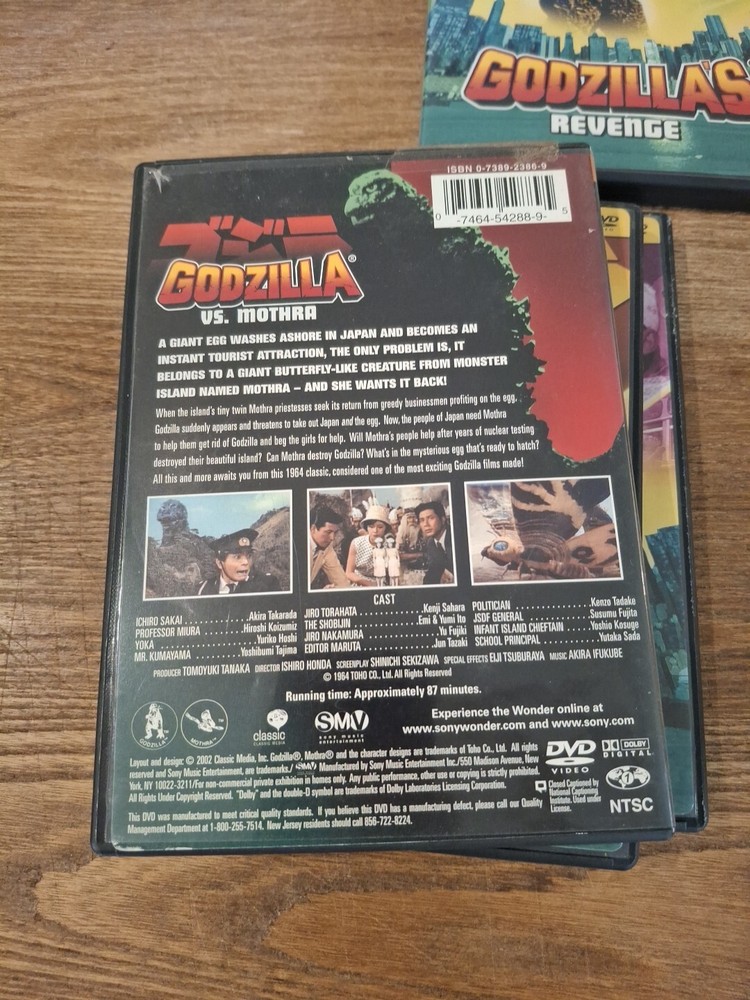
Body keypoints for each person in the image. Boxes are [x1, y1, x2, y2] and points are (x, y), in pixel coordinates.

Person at [198, 529, 279, 595]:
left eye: (248, 556)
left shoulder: (267, 584)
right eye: (237, 557)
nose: (246, 562)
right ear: (219, 563)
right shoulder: (202, 589)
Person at [345, 504, 392, 587]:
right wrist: (368, 584)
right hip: (357, 582)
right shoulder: (356, 543)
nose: (375, 530)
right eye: (371, 526)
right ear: (366, 527)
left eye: (380, 527)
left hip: (379, 584)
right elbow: (349, 573)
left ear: (386, 528)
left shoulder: (389, 545)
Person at [309, 507, 350, 589]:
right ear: (313, 529)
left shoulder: (327, 548)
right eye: (328, 532)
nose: (332, 538)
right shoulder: (299, 547)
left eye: (335, 532)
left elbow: (342, 582)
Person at [416, 500, 454, 585]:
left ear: (443, 519)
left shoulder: (454, 537)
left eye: (431, 518)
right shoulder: (431, 544)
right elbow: (433, 572)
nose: (426, 524)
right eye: (422, 520)